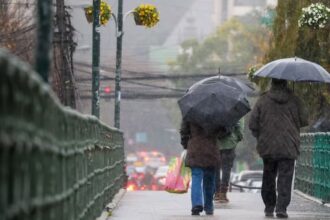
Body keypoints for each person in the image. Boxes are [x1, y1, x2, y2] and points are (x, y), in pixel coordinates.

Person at [248, 78, 308, 218]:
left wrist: (260, 137)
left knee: (268, 176)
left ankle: (269, 207)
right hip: (289, 145)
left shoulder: (262, 100)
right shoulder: (295, 100)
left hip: (267, 145)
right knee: (285, 177)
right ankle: (281, 208)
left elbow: (252, 124)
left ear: (272, 83)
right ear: (286, 83)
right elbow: (304, 120)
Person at [180, 120, 221, 216]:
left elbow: (184, 131)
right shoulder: (216, 114)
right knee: (209, 180)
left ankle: (196, 204)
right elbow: (223, 132)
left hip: (195, 149)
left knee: (196, 177)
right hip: (211, 150)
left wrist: (185, 144)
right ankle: (209, 206)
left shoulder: (191, 114)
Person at [214, 121, 243, 203]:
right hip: (230, 143)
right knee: (226, 169)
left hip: (216, 143)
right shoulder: (235, 110)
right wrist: (238, 138)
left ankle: (216, 192)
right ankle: (223, 193)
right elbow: (239, 128)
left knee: (216, 168)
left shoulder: (214, 110)